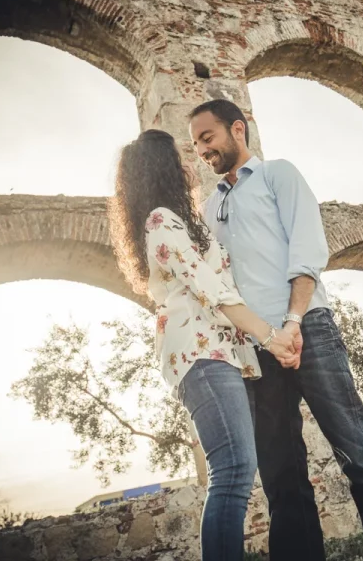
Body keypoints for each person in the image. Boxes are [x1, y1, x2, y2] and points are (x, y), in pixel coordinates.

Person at [189, 99, 363, 561]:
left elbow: (308, 249)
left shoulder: (279, 175)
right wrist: (265, 337)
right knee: (280, 475)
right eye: (195, 143)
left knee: (360, 455)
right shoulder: (211, 208)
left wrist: (293, 323)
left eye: (207, 137)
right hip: (258, 349)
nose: (201, 150)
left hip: (308, 328)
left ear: (238, 129)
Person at [107, 129, 300, 561]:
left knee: (234, 471)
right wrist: (272, 338)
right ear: (163, 168)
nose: (190, 162)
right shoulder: (160, 220)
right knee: (231, 471)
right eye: (180, 156)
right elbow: (213, 289)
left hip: (219, 353)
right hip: (201, 354)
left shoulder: (179, 220)